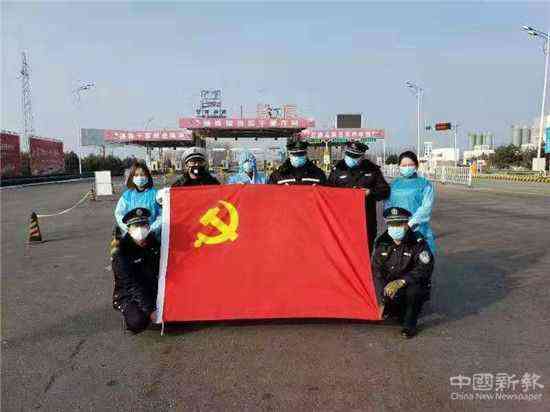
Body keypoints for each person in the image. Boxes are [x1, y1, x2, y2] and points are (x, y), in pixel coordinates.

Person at [372, 207, 434, 339]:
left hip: (410, 282)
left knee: (414, 292)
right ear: (388, 225)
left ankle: (409, 325)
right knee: (393, 312)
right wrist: (381, 299)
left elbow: (425, 268)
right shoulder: (382, 242)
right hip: (390, 284)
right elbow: (377, 270)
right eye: (392, 224)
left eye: (399, 224)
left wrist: (401, 281)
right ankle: (394, 309)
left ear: (406, 224)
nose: (395, 228)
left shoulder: (417, 242)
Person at [328, 141, 390, 253]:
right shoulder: (337, 169)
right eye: (349, 155)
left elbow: (385, 191)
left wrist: (370, 192)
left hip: (366, 222)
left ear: (362, 156)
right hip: (342, 223)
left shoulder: (372, 169)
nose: (351, 158)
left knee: (364, 254)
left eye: (355, 156)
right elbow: (327, 193)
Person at [111, 207, 161, 334]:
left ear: (148, 226)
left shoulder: (154, 242)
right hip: (130, 294)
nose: (140, 229)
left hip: (152, 288)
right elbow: (132, 285)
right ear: (128, 229)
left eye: (143, 225)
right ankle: (129, 314)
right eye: (136, 226)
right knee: (138, 322)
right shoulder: (121, 251)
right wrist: (150, 310)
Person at [385, 151, 436, 253]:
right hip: (396, 229)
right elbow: (387, 206)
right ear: (399, 166)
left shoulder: (425, 184)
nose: (407, 167)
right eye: (404, 165)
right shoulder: (393, 185)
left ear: (416, 166)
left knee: (420, 259)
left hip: (418, 229)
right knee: (398, 259)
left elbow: (426, 207)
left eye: (410, 165)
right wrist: (392, 224)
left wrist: (409, 224)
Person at [114, 161, 161, 238]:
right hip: (132, 235)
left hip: (152, 235)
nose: (139, 177)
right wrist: (128, 228)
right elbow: (119, 213)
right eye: (136, 175)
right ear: (132, 177)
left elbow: (162, 215)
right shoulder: (127, 195)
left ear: (147, 176)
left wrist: (152, 229)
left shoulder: (156, 194)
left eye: (142, 174)